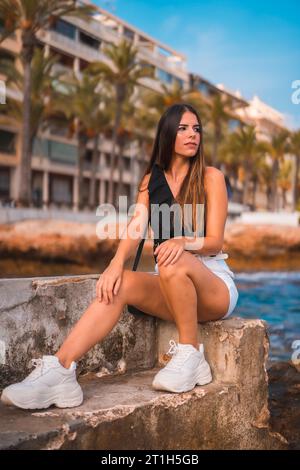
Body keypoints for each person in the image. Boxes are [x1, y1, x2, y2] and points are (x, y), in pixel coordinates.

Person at [1, 103, 239, 410]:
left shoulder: (210, 177)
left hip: (214, 289)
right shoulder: (150, 181)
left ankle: (191, 354)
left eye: (196, 128)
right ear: (167, 134)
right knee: (119, 283)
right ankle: (60, 371)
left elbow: (215, 241)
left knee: (169, 259)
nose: (192, 134)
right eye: (183, 128)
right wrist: (115, 265)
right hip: (172, 282)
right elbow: (136, 228)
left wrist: (182, 241)